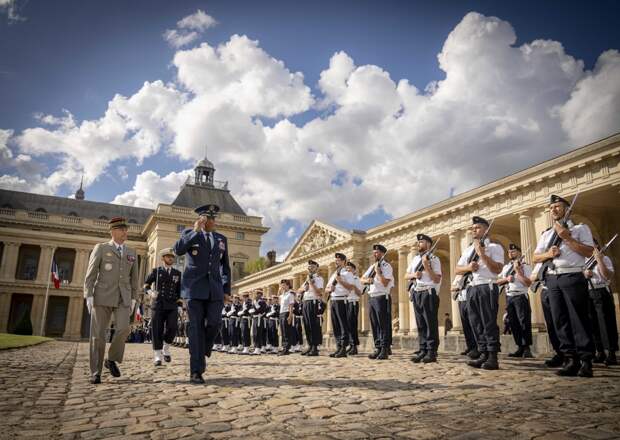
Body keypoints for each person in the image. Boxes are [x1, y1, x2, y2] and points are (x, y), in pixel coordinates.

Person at [533, 194, 595, 377]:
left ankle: (586, 360)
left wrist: (567, 238)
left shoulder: (580, 229)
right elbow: (536, 257)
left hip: (573, 275)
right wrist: (548, 254)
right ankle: (570, 359)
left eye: (558, 206)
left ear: (568, 209)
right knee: (560, 320)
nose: (554, 210)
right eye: (551, 208)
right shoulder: (546, 234)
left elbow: (589, 251)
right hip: (552, 278)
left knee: (579, 319)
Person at [173, 204, 231, 384]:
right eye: (208, 219)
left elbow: (225, 266)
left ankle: (204, 348)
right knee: (195, 328)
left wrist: (226, 289)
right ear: (201, 220)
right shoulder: (190, 234)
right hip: (194, 289)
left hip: (215, 289)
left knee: (215, 322)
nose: (212, 221)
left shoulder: (221, 238)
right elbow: (178, 250)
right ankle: (196, 370)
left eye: (213, 218)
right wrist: (195, 232)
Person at [83, 216, 139, 384]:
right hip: (102, 295)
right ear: (113, 231)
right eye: (122, 229)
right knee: (98, 335)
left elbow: (134, 278)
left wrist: (135, 298)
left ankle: (111, 358)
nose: (125, 232)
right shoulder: (101, 248)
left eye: (126, 229)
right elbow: (91, 274)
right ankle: (96, 372)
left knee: (123, 329)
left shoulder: (131, 252)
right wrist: (89, 294)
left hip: (124, 297)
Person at [455, 216, 504, 370]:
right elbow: (457, 269)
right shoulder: (468, 250)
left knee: (488, 322)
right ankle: (482, 352)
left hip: (486, 286)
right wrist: (469, 267)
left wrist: (482, 255)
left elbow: (498, 269)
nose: (473, 230)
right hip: (471, 288)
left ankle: (492, 356)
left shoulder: (495, 247)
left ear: (486, 229)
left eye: (477, 227)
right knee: (475, 322)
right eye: (472, 228)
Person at [407, 234, 442, 363]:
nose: (418, 244)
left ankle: (431, 351)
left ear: (428, 244)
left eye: (421, 242)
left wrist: (427, 267)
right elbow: (406, 275)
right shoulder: (415, 259)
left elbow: (437, 278)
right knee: (420, 323)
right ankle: (422, 349)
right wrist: (414, 274)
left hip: (429, 292)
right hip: (417, 292)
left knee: (430, 323)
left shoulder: (434, 259)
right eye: (418, 242)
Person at [144, 247, 182, 366]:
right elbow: (146, 284)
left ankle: (166, 346)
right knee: (157, 329)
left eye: (172, 257)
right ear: (163, 258)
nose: (171, 258)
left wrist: (180, 305)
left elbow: (179, 290)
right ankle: (157, 354)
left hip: (172, 304)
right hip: (158, 303)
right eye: (168, 257)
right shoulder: (156, 271)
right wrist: (150, 292)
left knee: (173, 327)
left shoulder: (178, 273)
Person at [498, 244, 533, 358]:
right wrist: (506, 279)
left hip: (520, 296)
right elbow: (498, 281)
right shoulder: (506, 268)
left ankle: (527, 347)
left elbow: (528, 283)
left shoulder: (525, 266)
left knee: (524, 322)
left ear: (519, 252)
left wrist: (518, 271)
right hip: (509, 296)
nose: (511, 253)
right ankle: (520, 346)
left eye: (513, 251)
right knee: (513, 323)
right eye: (509, 252)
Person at [585, 240, 617, 366]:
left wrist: (599, 260)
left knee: (606, 322)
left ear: (597, 245)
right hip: (587, 292)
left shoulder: (605, 258)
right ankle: (599, 351)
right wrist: (585, 273)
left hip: (601, 290)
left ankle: (611, 353)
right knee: (592, 324)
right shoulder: (583, 260)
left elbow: (607, 275)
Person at [361, 245, 394, 360]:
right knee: (375, 324)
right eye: (374, 252)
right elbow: (362, 279)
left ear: (383, 254)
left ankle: (385, 348)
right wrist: (368, 280)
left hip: (381, 296)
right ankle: (378, 347)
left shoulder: (386, 266)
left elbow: (385, 283)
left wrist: (378, 273)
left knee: (383, 324)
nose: (375, 254)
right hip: (372, 297)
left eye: (377, 253)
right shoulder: (372, 267)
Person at [326, 253, 356, 358]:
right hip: (333, 300)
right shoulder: (334, 273)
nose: (336, 262)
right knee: (336, 326)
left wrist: (341, 281)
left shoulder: (348, 273)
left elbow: (351, 287)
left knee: (343, 325)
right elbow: (327, 288)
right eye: (336, 260)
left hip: (342, 300)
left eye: (338, 260)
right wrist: (330, 289)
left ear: (344, 261)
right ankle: (338, 347)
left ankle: (343, 347)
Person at [298, 260, 324, 357]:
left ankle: (315, 347)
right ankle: (310, 345)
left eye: (312, 267)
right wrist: (301, 291)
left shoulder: (319, 279)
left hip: (313, 302)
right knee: (307, 326)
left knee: (314, 326)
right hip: (305, 302)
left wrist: (311, 284)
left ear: (317, 268)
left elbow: (320, 293)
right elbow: (299, 290)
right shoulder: (306, 279)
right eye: (309, 267)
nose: (310, 268)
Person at [345, 261, 363, 355]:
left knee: (352, 325)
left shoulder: (356, 279)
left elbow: (360, 293)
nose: (347, 270)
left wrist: (353, 287)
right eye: (346, 269)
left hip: (353, 302)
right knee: (347, 325)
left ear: (354, 270)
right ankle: (350, 345)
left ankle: (354, 346)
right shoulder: (346, 280)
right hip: (346, 302)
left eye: (349, 269)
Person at [278, 279, 296, 356]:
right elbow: (279, 302)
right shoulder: (283, 295)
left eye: (284, 285)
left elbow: (291, 305)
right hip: (281, 313)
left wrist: (290, 316)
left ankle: (286, 348)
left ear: (288, 285)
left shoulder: (290, 294)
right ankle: (284, 347)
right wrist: (279, 290)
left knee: (286, 331)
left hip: (286, 313)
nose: (282, 286)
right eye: (282, 285)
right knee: (282, 331)